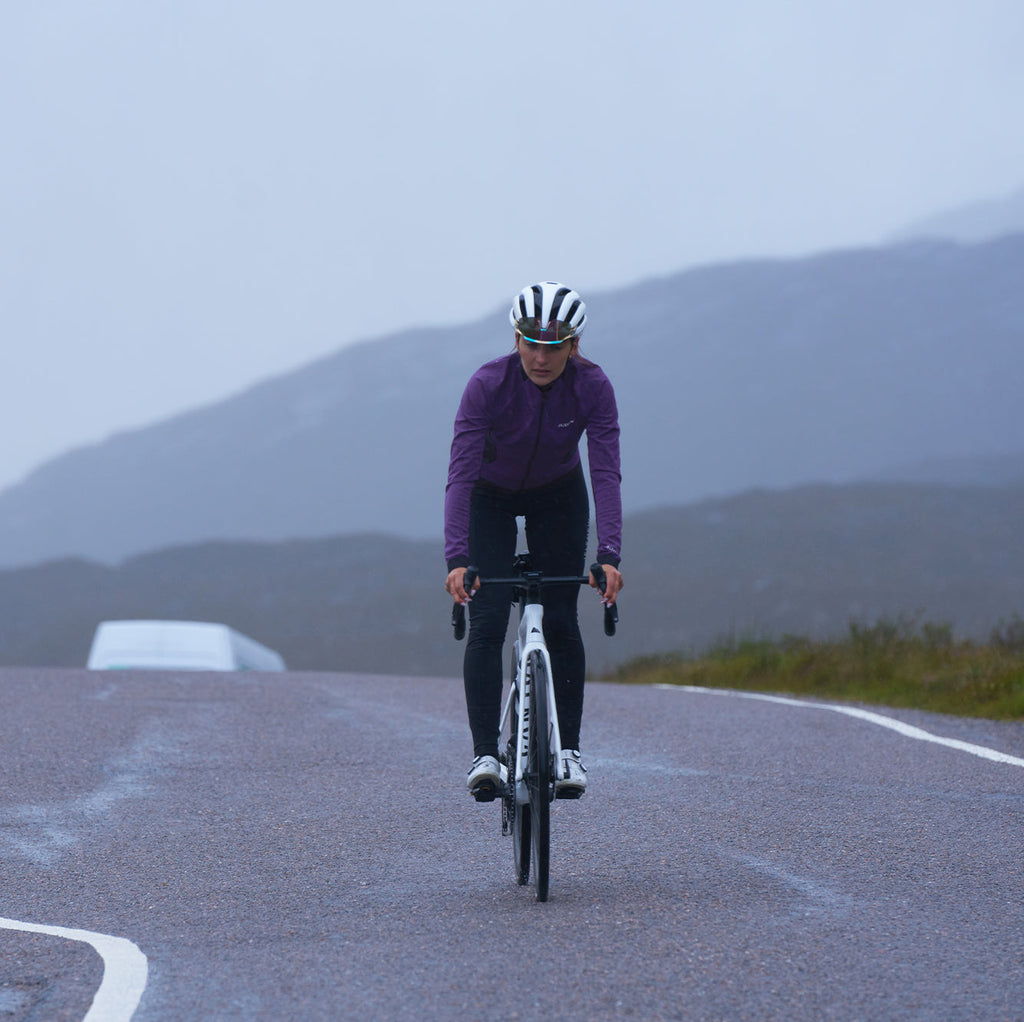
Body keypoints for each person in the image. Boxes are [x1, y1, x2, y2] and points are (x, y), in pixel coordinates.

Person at [444, 281, 623, 801]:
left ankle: (568, 751)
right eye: (530, 344)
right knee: (488, 619)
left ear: (574, 345)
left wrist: (609, 555)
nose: (540, 358)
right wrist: (457, 559)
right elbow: (460, 475)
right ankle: (485, 754)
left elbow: (605, 472)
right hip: (489, 497)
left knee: (562, 618)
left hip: (558, 496)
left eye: (554, 346)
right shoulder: (487, 385)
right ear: (516, 339)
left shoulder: (593, 386)